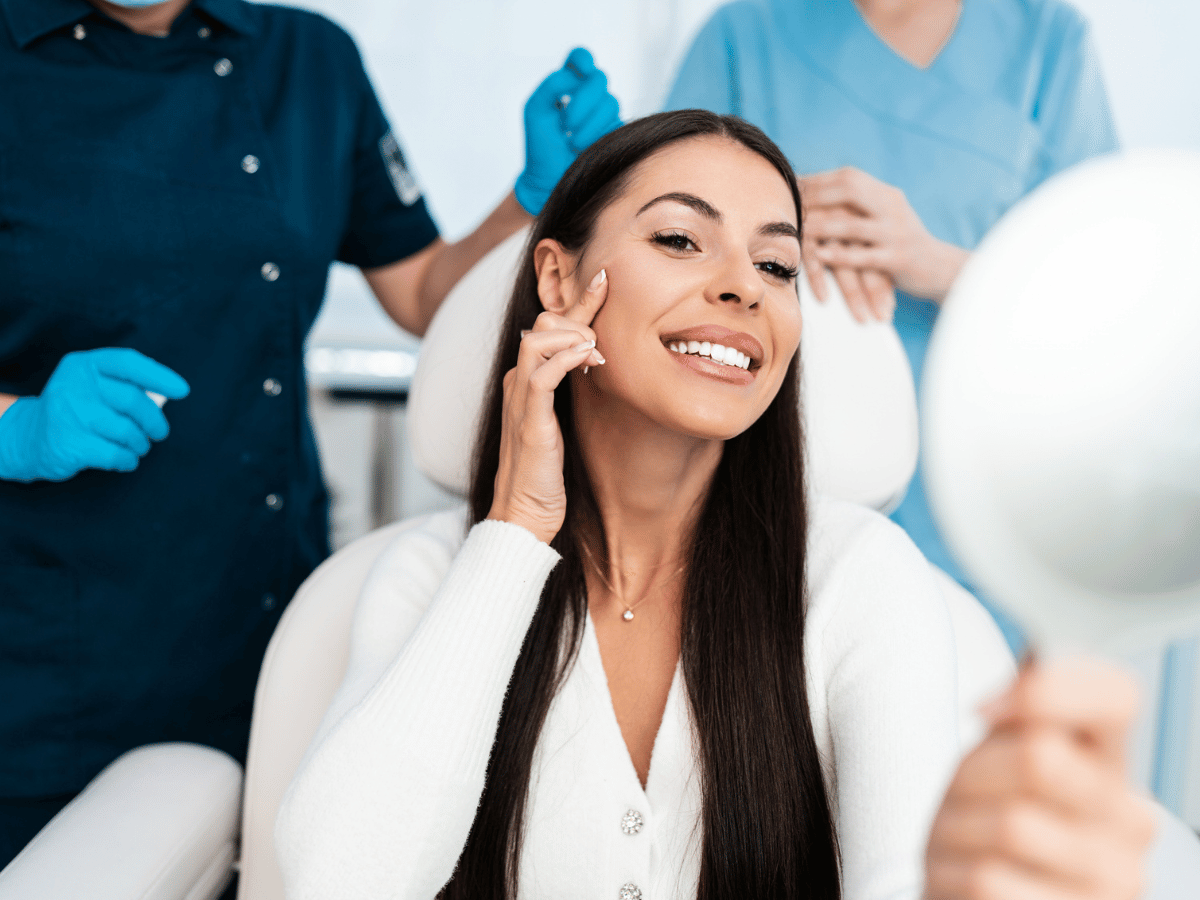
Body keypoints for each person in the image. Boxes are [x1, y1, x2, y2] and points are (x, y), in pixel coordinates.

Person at [275, 110, 1153, 900]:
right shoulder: (432, 576)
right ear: (557, 277)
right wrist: (512, 534)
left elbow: (903, 876)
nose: (745, 287)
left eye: (777, 264)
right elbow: (339, 882)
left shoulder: (858, 579)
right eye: (681, 240)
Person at [0, 0, 621, 866]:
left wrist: (534, 199)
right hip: (44, 661)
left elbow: (422, 294)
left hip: (263, 615)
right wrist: (16, 426)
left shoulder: (309, 59)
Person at [664, 0, 1119, 648]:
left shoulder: (1046, 42)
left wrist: (938, 265)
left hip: (977, 505)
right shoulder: (744, 36)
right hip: (768, 493)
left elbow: (1105, 304)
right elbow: (658, 242)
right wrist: (764, 231)